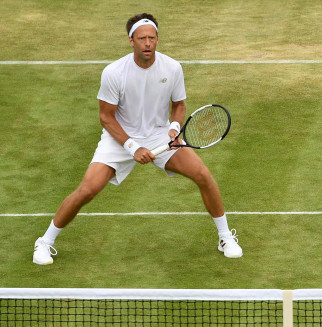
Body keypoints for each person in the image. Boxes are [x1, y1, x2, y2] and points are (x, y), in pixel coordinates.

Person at [33, 13, 242, 265]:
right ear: (131, 40)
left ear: (157, 39)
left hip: (160, 134)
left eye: (151, 38)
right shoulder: (113, 72)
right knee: (87, 190)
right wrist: (132, 147)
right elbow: (106, 117)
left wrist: (174, 128)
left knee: (203, 175)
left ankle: (224, 237)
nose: (147, 43)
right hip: (120, 137)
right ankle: (44, 242)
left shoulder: (172, 68)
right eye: (141, 38)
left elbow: (179, 105)